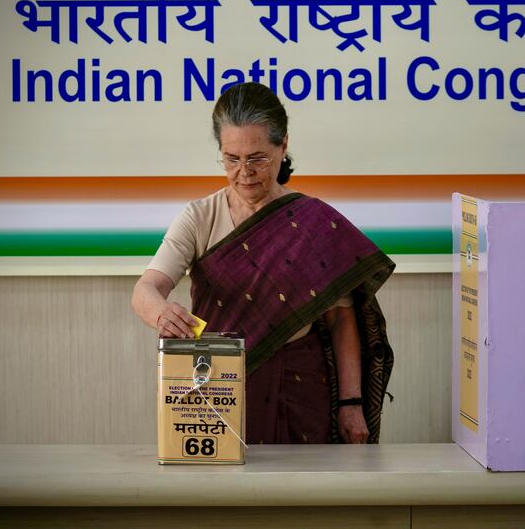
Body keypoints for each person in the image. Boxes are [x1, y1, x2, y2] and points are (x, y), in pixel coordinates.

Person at [132, 82, 394, 444]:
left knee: (302, 497)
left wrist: (351, 403)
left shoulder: (311, 220)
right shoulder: (199, 216)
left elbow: (340, 317)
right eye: (231, 159)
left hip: (301, 386)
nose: (244, 172)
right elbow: (146, 289)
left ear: (283, 145)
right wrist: (160, 312)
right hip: (218, 386)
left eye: (257, 158)